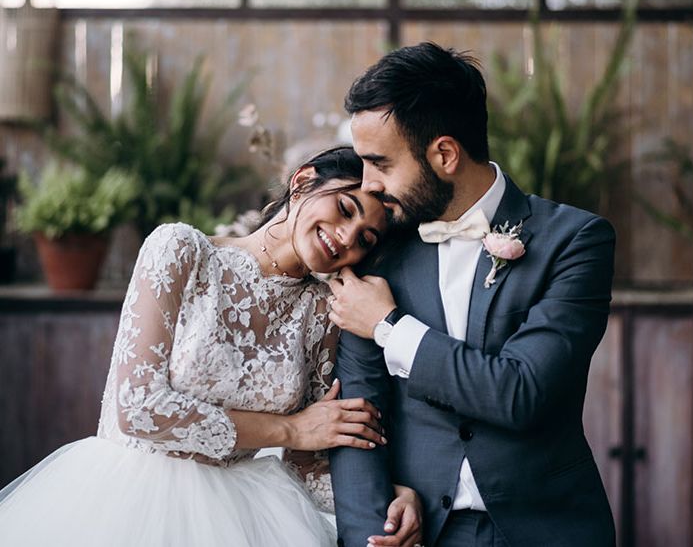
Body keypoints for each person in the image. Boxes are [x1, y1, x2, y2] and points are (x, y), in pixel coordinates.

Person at [0, 147, 423, 547]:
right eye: (345, 209)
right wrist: (289, 428)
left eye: (366, 239)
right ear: (302, 182)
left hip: (246, 514)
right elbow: (137, 408)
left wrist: (387, 495)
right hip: (129, 501)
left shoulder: (321, 309)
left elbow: (306, 461)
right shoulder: (182, 251)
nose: (347, 237)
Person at [328, 43, 617, 546]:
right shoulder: (375, 249)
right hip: (420, 533)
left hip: (546, 528)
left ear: (444, 154)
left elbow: (522, 392)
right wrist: (369, 535)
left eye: (380, 163)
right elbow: (357, 419)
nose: (368, 185)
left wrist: (389, 326)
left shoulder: (575, 240)